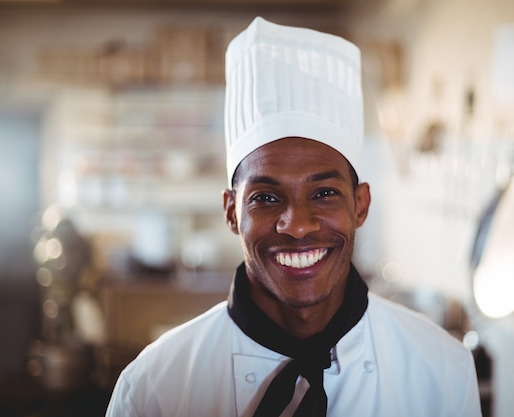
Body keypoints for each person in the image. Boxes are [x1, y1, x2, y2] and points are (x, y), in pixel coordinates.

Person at [105, 16, 482, 417]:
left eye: (324, 193)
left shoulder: (441, 371)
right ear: (232, 213)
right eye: (266, 197)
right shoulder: (154, 388)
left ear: (360, 205)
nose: (298, 225)